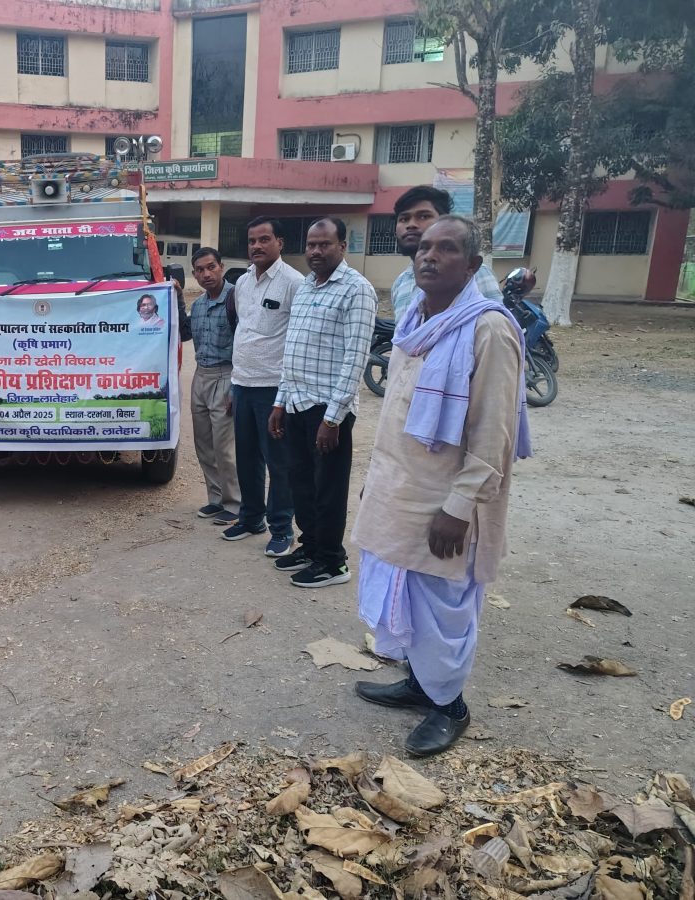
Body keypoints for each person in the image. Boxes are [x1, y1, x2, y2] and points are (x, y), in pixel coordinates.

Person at [352, 216, 531, 756]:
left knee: (443, 605)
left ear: (473, 265)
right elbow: (395, 417)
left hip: (445, 501)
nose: (429, 256)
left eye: (447, 249)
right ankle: (419, 682)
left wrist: (459, 506)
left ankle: (449, 705)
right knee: (403, 593)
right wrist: (375, 484)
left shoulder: (489, 329)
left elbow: (494, 432)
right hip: (399, 491)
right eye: (425, 247)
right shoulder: (415, 317)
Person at [268, 218, 376, 588]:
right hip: (297, 403)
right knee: (301, 483)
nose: (315, 251)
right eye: (311, 244)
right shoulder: (306, 286)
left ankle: (332, 561)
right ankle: (311, 545)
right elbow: (293, 350)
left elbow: (355, 358)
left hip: (328, 410)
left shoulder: (357, 290)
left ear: (342, 246)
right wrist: (280, 402)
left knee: (328, 488)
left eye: (324, 244)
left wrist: (333, 419)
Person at [221, 217, 301, 558]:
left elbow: (297, 341)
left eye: (264, 239)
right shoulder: (242, 282)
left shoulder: (294, 283)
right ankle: (251, 518)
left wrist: (285, 396)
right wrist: (233, 384)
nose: (256, 246)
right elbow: (243, 332)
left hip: (273, 389)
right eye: (252, 240)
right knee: (247, 458)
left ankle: (281, 528)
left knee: (279, 463)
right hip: (243, 385)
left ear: (280, 242)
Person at [390, 186, 502, 321]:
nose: (411, 225)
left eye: (424, 216)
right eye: (404, 219)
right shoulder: (400, 283)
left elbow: (496, 324)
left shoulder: (473, 273)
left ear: (444, 222)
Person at [188, 247, 239, 525]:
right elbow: (183, 333)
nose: (206, 274)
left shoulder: (236, 299)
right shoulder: (197, 305)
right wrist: (174, 297)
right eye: (200, 270)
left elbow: (245, 344)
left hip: (225, 375)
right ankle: (216, 499)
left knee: (224, 447)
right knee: (204, 444)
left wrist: (235, 386)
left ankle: (235, 503)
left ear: (221, 267)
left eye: (211, 267)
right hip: (201, 375)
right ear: (194, 274)